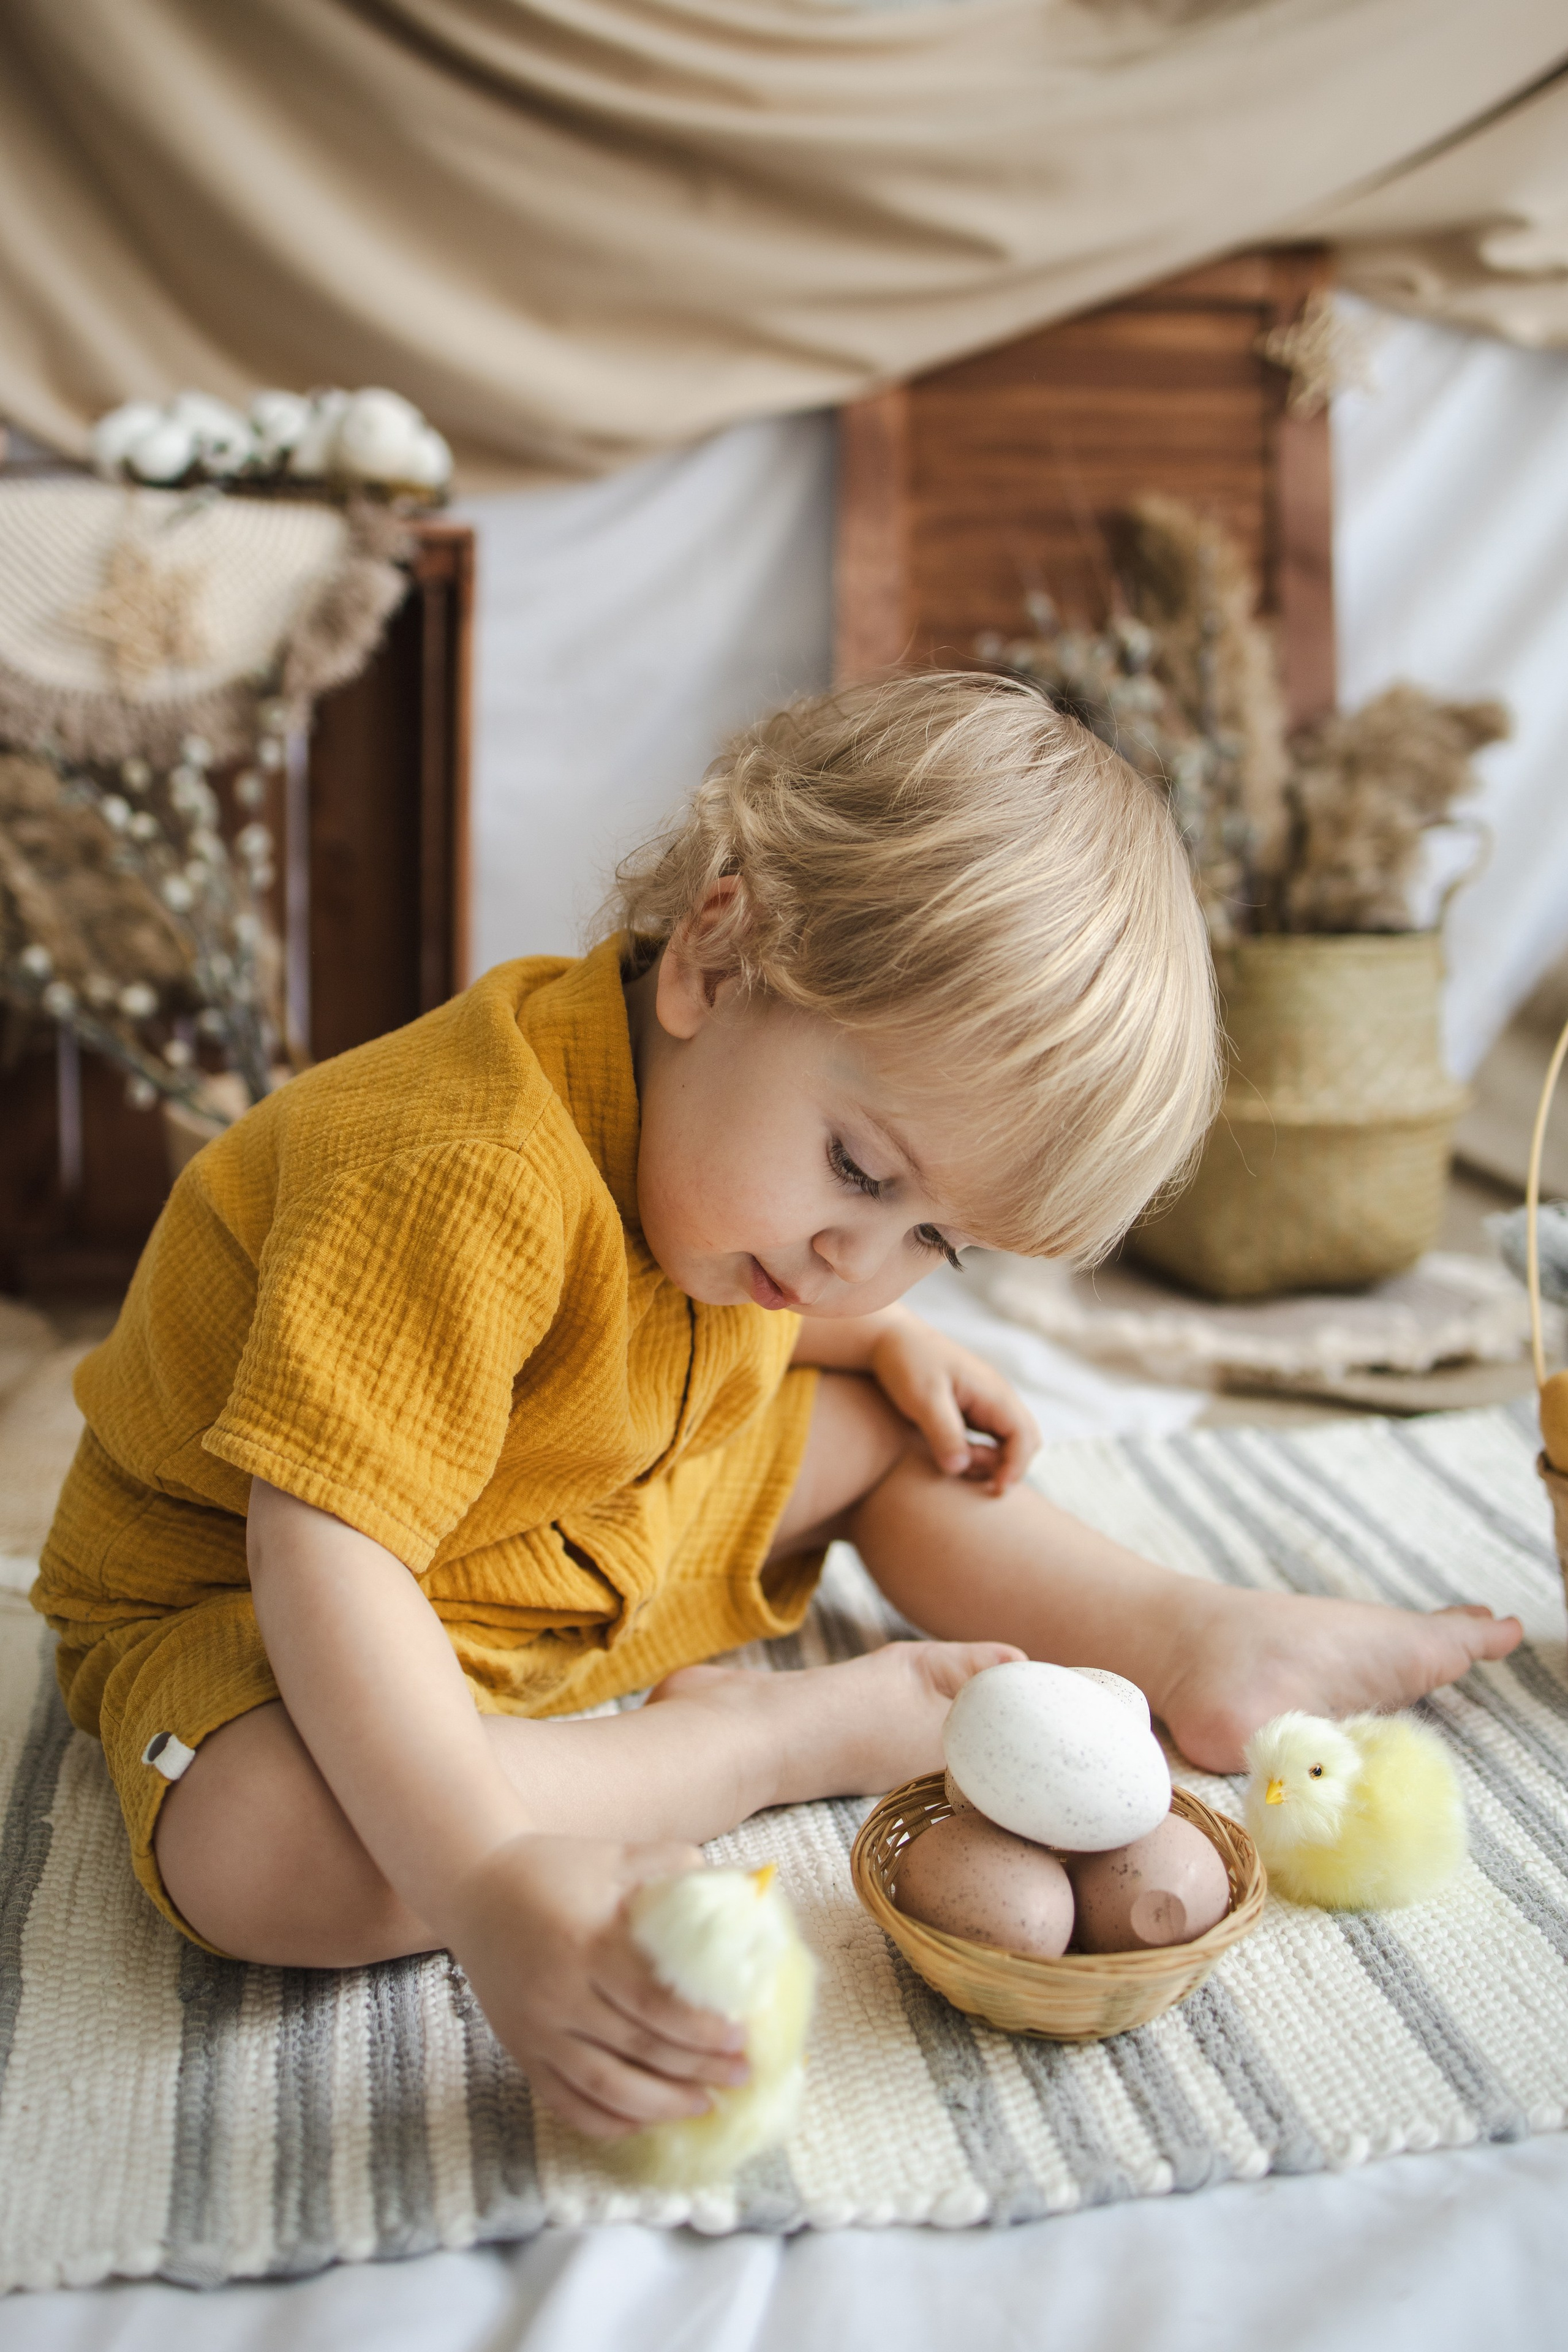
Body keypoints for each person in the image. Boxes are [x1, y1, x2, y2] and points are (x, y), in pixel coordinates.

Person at [33, 673, 1518, 2144]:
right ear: (718, 951)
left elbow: (608, 1317)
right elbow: (327, 1552)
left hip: (548, 1523)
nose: (853, 1266)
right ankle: (750, 1745)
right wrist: (483, 1881)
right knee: (268, 1852)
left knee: (898, 1443)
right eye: (862, 1175)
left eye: (934, 1245)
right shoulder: (450, 1169)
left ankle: (1185, 1633)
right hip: (251, 1594)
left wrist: (857, 1358)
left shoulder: (719, 1175)